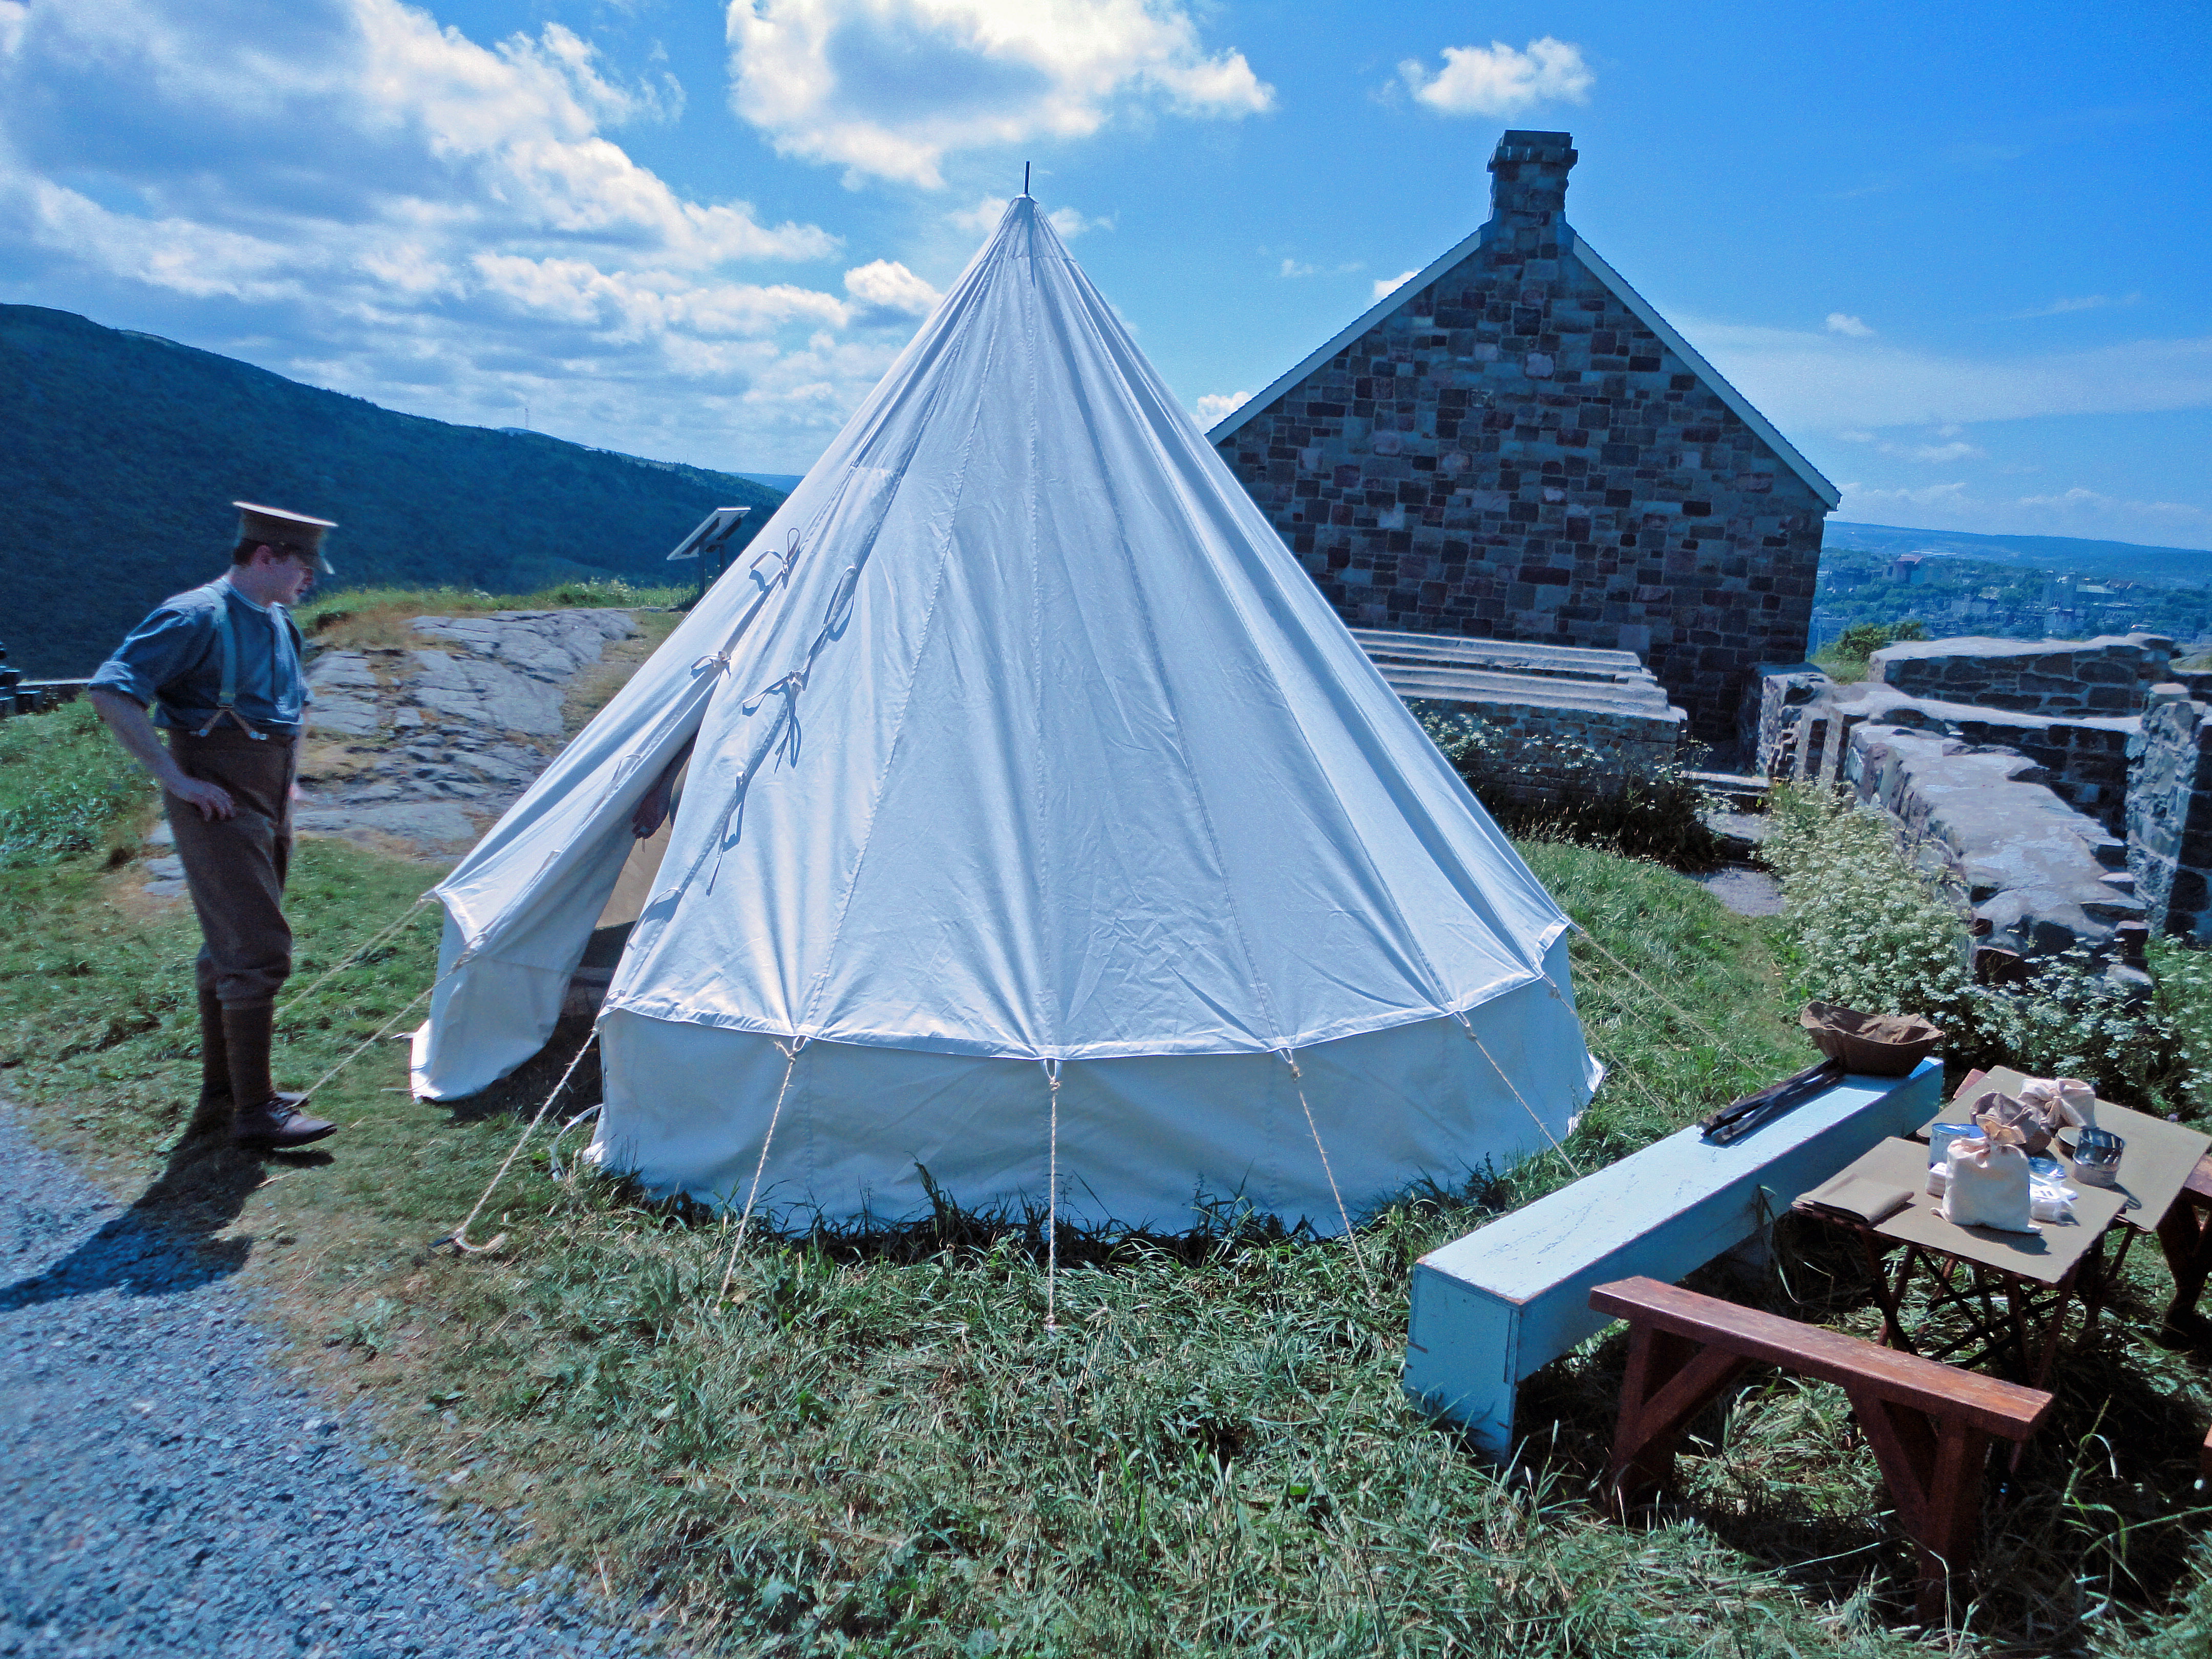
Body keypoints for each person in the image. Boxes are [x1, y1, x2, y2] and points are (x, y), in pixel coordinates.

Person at [87, 502, 341, 1151]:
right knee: (258, 948)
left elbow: (293, 707)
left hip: (267, 794)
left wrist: (288, 780)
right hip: (217, 799)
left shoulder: (281, 622)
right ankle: (256, 1113)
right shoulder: (195, 615)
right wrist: (177, 779)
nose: (309, 579)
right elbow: (113, 690)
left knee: (228, 945)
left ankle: (224, 1094)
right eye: (303, 565)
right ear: (265, 556)